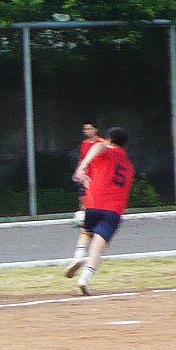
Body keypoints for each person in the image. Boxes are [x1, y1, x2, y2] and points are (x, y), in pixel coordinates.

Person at [64, 127, 135, 295]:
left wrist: (83, 166)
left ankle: (78, 257)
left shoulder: (106, 150)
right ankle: (84, 279)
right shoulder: (129, 166)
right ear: (125, 145)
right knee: (100, 245)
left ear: (108, 139)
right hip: (114, 210)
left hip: (94, 204)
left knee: (86, 233)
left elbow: (98, 147)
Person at [72, 121, 103, 227]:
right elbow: (82, 158)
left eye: (89, 129)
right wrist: (78, 171)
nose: (87, 131)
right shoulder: (84, 143)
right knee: (83, 197)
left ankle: (99, 218)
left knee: (96, 197)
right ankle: (84, 219)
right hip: (86, 175)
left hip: (98, 175)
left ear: (95, 130)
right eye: (85, 129)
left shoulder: (102, 143)